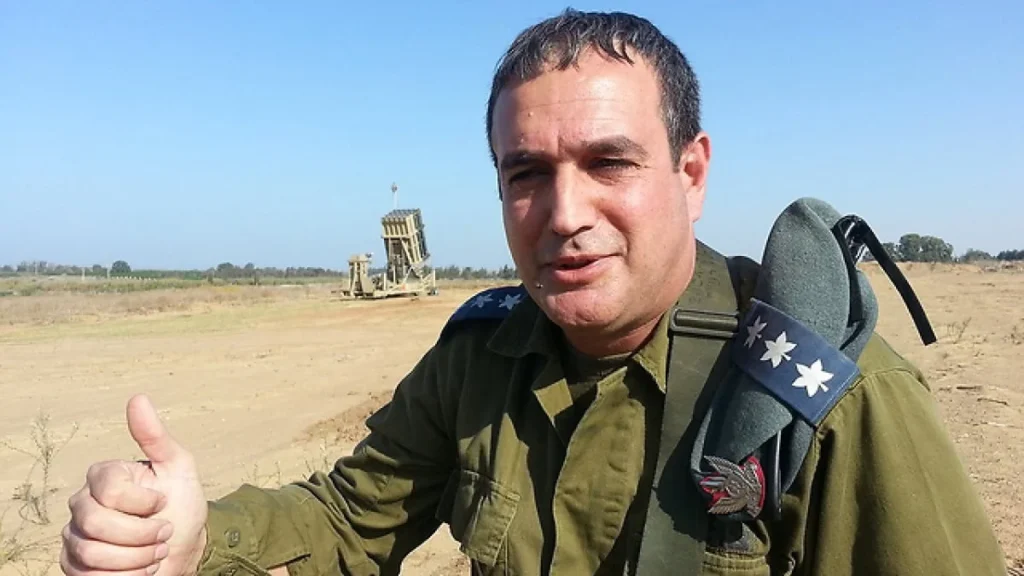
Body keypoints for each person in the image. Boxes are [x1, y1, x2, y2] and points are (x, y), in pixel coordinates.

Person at [60, 9, 1006, 576]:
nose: (564, 213)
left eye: (609, 163)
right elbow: (349, 518)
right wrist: (192, 541)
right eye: (526, 174)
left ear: (691, 173)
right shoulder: (479, 362)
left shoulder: (823, 400)